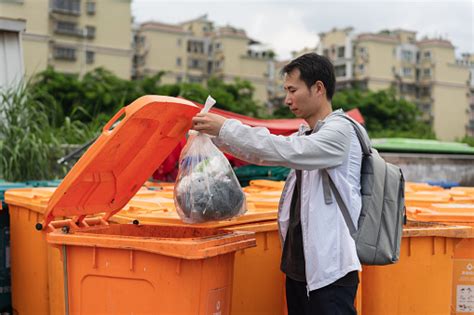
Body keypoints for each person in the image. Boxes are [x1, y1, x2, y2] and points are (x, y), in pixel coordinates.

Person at [192, 53, 362, 315]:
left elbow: (285, 150)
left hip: (330, 270)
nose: (287, 99)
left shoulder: (341, 132)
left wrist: (225, 128)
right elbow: (262, 152)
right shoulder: (307, 134)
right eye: (286, 91)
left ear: (318, 88)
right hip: (299, 267)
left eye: (293, 90)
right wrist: (217, 137)